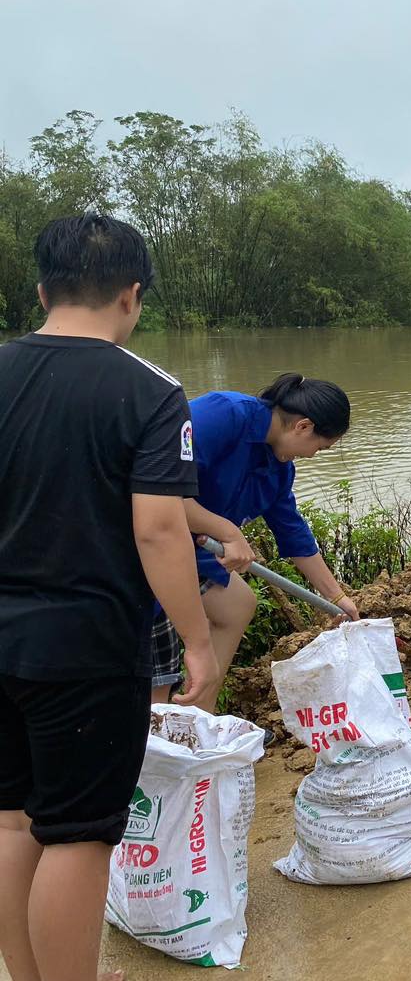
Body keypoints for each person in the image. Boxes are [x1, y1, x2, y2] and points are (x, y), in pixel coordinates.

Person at [0, 215, 219, 981]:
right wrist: (195, 638)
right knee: (80, 835)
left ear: (40, 288)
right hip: (86, 648)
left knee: (15, 816)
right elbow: (160, 529)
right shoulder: (150, 392)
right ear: (132, 296)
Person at [151, 374, 358, 708]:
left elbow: (292, 532)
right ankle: (161, 727)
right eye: (320, 448)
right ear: (303, 427)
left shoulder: (278, 467)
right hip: (146, 540)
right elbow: (158, 490)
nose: (313, 456)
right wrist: (229, 532)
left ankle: (197, 716)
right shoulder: (223, 415)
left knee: (237, 605)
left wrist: (337, 595)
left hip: (195, 546)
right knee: (155, 673)